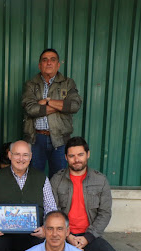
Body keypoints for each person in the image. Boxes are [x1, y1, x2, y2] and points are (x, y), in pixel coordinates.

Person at [50, 136, 120, 251]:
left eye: (80, 155)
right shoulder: (56, 180)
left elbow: (105, 213)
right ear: (66, 158)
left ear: (87, 154)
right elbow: (53, 212)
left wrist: (87, 237)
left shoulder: (100, 180)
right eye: (72, 156)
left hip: (89, 235)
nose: (76, 159)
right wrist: (68, 236)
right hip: (64, 236)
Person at [22, 48, 82, 177]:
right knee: (35, 178)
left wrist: (47, 101)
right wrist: (61, 105)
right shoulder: (31, 84)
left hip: (60, 139)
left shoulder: (68, 83)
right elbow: (30, 109)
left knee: (59, 178)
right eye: (45, 60)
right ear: (40, 65)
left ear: (58, 64)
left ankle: (54, 199)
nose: (49, 63)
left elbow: (74, 106)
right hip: (35, 139)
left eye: (53, 60)